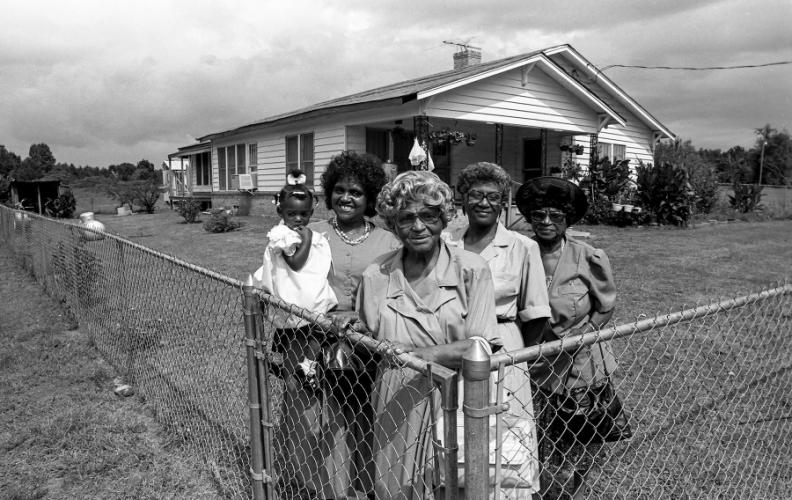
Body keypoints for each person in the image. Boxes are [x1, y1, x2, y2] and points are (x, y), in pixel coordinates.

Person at [356, 170, 501, 499]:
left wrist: (417, 354)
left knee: (456, 484)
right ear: (393, 223)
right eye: (406, 217)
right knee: (396, 485)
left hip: (458, 392)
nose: (418, 226)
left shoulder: (471, 268)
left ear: (444, 218)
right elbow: (369, 338)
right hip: (396, 395)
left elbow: (480, 344)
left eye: (428, 215)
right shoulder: (376, 274)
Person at [443, 162, 550, 497]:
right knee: (455, 428)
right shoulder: (447, 244)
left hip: (504, 348)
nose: (484, 203)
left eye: (493, 196)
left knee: (507, 436)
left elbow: (537, 316)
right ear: (463, 200)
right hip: (454, 346)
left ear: (505, 202)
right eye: (476, 195)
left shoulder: (522, 247)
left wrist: (515, 358)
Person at [515, 177, 618, 500]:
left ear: (568, 219)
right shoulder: (519, 251)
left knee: (580, 439)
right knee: (534, 436)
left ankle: (575, 491)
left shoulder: (588, 256)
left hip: (579, 365)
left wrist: (582, 336)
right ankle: (533, 488)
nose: (546, 222)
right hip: (533, 361)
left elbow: (606, 306)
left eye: (556, 216)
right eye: (539, 215)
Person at [307, 150, 401, 497]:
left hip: (367, 343)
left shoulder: (389, 241)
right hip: (315, 336)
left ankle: (363, 484)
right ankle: (324, 485)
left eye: (357, 192)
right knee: (322, 417)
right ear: (329, 192)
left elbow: (393, 294)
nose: (346, 198)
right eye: (340, 190)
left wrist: (361, 322)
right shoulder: (312, 234)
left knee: (362, 417)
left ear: (370, 198)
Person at [253, 169, 340, 498]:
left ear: (313, 212)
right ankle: (300, 470)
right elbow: (284, 267)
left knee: (313, 386)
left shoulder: (309, 238)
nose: (299, 219)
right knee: (299, 389)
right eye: (292, 214)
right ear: (280, 212)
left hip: (313, 323)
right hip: (292, 326)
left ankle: (311, 468)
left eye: (305, 214)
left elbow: (301, 265)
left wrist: (302, 238)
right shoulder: (281, 237)